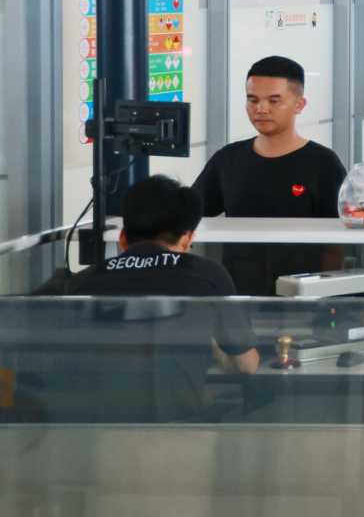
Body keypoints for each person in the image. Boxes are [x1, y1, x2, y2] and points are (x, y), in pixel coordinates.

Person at [59, 174, 259, 420]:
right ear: (187, 239)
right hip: (179, 428)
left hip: (94, 429)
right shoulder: (208, 276)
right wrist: (214, 345)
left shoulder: (83, 282)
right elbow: (246, 366)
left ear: (123, 239)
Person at [192, 55, 349, 295]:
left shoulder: (323, 163)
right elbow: (191, 211)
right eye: (252, 100)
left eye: (274, 101)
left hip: (302, 296)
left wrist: (325, 296)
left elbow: (336, 244)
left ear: (299, 104)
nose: (261, 109)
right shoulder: (228, 159)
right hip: (239, 296)